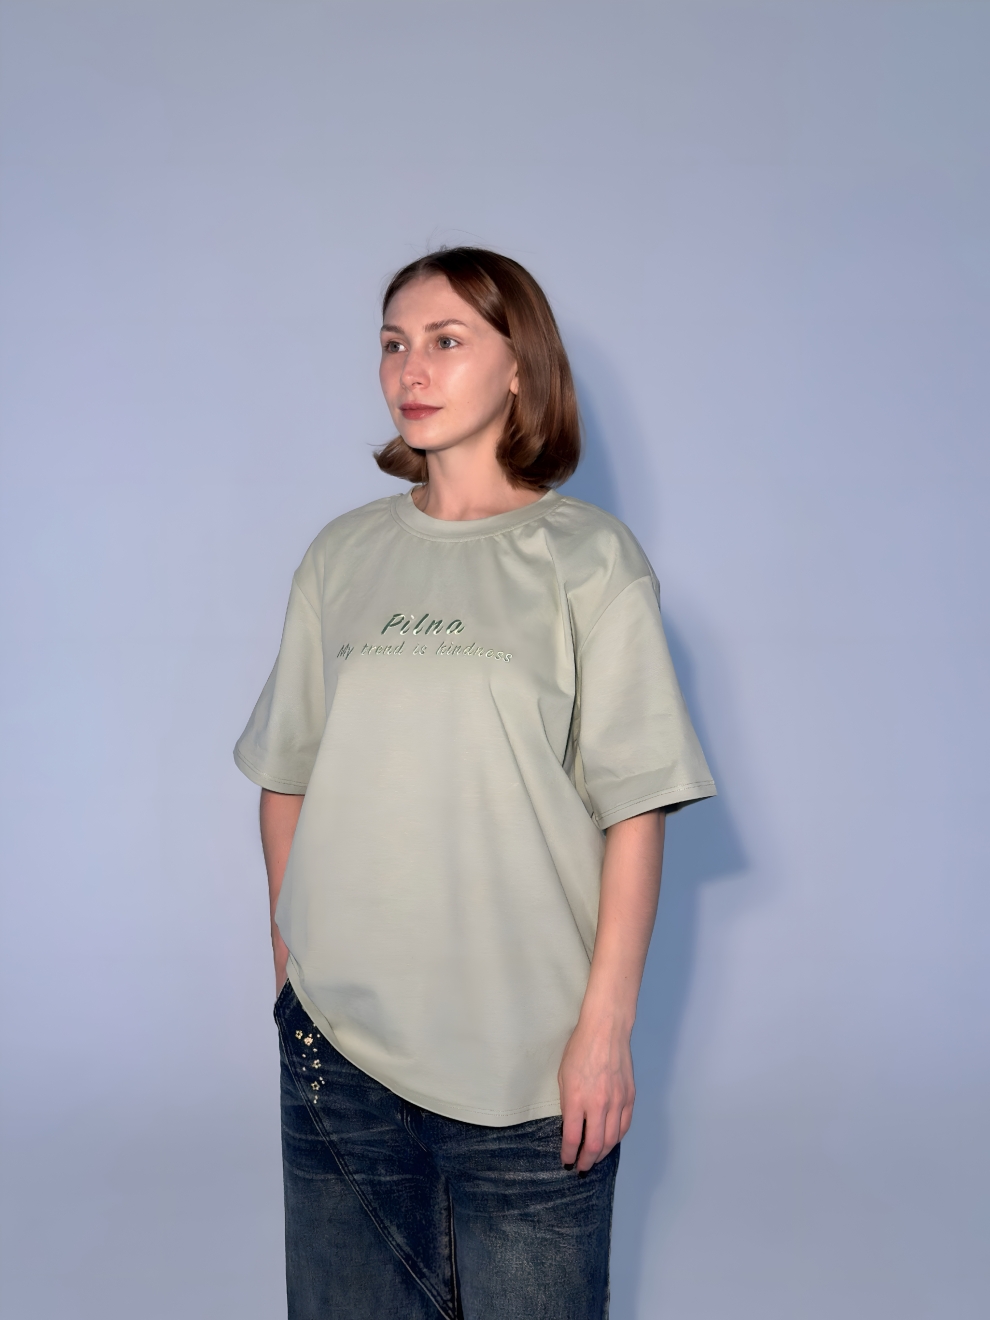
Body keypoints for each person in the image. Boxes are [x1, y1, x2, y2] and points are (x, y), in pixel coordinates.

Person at [234, 246, 715, 1319]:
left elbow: (637, 808)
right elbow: (285, 776)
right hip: (337, 1057)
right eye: (394, 344)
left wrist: (604, 1033)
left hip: (529, 1068)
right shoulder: (341, 557)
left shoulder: (589, 560)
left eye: (447, 341)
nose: (412, 368)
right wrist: (290, 969)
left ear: (519, 368)